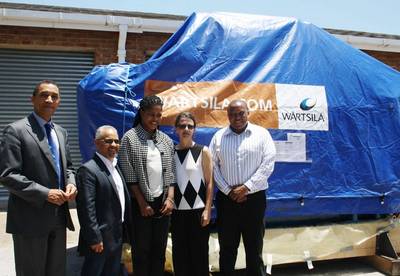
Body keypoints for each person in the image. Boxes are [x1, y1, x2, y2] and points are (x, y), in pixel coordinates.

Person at [0, 80, 77, 276]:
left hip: (58, 218)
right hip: (30, 219)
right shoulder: (16, 130)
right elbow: (8, 175)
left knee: (56, 271)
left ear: (59, 102)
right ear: (32, 99)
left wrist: (71, 183)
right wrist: (45, 193)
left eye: (54, 96)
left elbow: (68, 167)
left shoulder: (61, 132)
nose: (49, 99)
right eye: (44, 95)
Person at [209, 99, 276, 276]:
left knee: (254, 248)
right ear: (227, 115)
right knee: (227, 248)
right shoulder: (218, 137)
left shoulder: (262, 134)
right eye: (232, 114)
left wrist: (246, 187)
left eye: (241, 113)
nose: (237, 117)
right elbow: (212, 166)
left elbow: (268, 164)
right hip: (227, 200)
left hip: (254, 199)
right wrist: (229, 191)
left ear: (248, 113)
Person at [118, 95, 176, 276]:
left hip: (163, 204)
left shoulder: (165, 140)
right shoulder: (130, 138)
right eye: (151, 114)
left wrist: (170, 198)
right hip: (140, 205)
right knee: (141, 251)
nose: (155, 119)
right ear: (142, 113)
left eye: (159, 115)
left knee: (159, 251)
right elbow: (129, 175)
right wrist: (142, 203)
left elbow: (171, 172)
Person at [76, 125, 132, 276]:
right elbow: (86, 208)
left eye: (116, 141)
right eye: (108, 141)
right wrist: (94, 238)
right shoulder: (88, 170)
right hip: (100, 240)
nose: (113, 145)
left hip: (117, 236)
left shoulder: (116, 166)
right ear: (96, 143)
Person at [171, 112, 214, 276]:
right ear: (176, 129)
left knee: (199, 257)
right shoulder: (170, 152)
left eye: (190, 126)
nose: (186, 129)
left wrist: (207, 210)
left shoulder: (203, 151)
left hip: (198, 211)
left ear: (194, 129)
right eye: (182, 126)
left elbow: (210, 183)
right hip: (177, 213)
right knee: (180, 258)